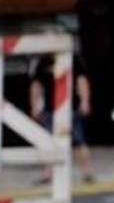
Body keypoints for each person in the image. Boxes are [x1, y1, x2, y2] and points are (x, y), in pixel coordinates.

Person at [29, 55, 96, 184]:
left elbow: (81, 80)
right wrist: (34, 105)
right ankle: (48, 174)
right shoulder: (43, 61)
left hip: (71, 107)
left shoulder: (72, 58)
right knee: (48, 142)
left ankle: (86, 172)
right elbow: (36, 85)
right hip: (50, 108)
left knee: (78, 141)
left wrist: (85, 101)